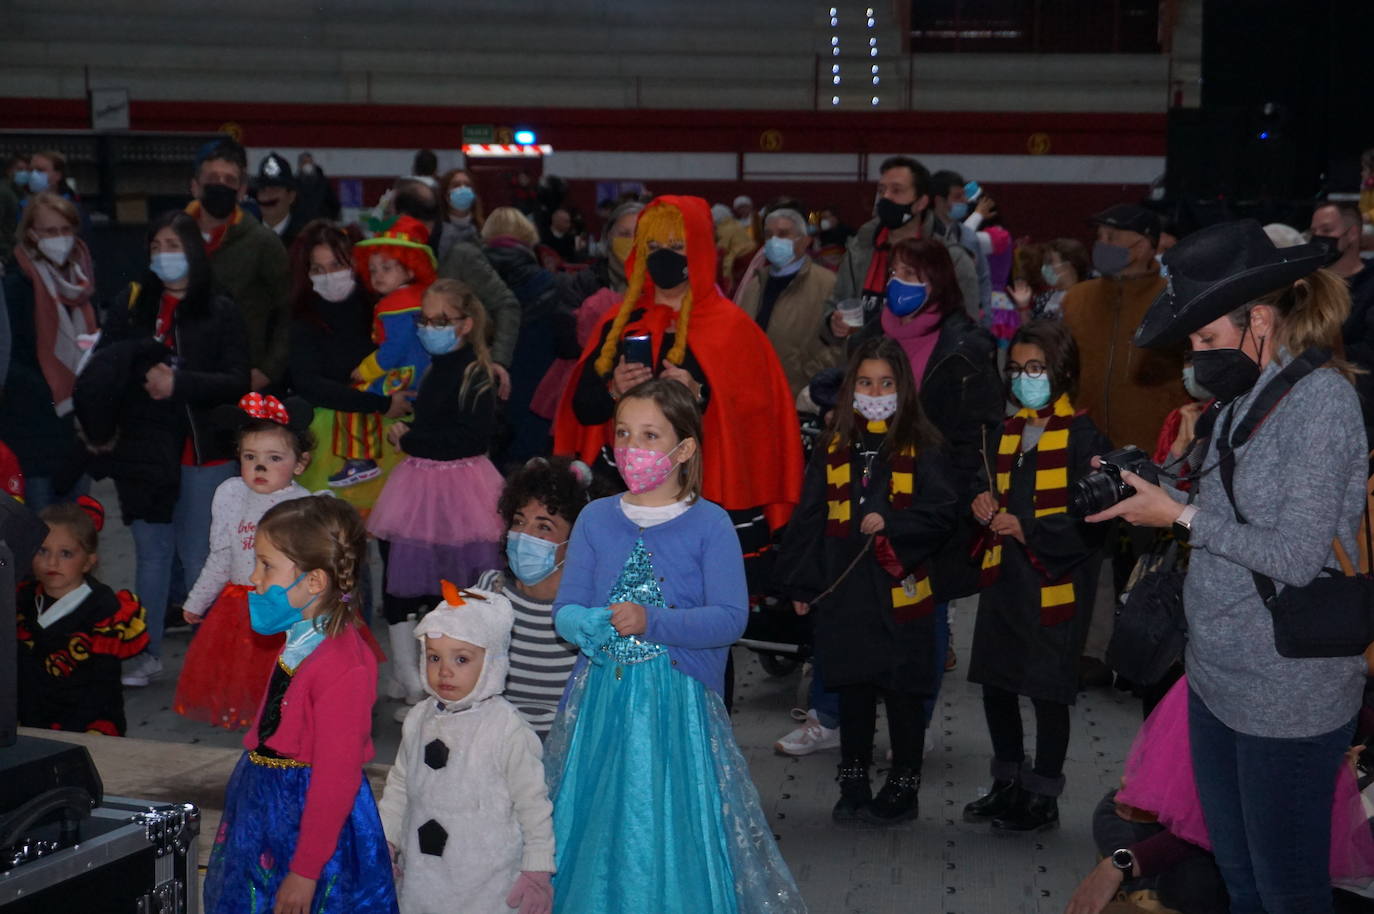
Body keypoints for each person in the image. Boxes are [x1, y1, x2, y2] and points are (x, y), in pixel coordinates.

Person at [1092, 219, 1369, 914]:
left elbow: (1297, 557)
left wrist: (1180, 517)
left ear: (1262, 321)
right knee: (1241, 880)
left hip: (1288, 694)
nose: (1197, 355)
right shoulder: (1242, 395)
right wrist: (1153, 491)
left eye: (1207, 339)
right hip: (1218, 681)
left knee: (1287, 891)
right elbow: (1228, 509)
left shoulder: (1321, 403)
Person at [546, 378, 806, 912]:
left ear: (684, 449)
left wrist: (651, 621)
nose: (631, 449)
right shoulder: (596, 518)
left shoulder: (710, 524)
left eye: (649, 435)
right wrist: (583, 624)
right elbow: (565, 608)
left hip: (677, 704)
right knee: (599, 811)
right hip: (601, 702)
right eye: (623, 434)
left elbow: (730, 619)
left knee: (669, 814)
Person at [553, 194, 803, 580]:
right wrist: (613, 388)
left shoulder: (733, 330)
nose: (662, 257)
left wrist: (700, 397)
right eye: (652, 247)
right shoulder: (619, 321)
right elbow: (584, 410)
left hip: (704, 494)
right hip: (623, 492)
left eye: (676, 247)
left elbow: (752, 427)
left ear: (700, 251)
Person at [775, 338, 958, 826]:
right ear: (851, 388)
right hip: (846, 587)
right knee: (852, 686)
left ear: (902, 389)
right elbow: (811, 515)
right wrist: (801, 585)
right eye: (865, 382)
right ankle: (853, 781)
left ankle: (903, 785)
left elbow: (942, 513)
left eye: (885, 383)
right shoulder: (835, 445)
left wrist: (893, 524)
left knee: (902, 691)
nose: (875, 391)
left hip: (902, 586)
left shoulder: (925, 444)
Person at [203, 495, 396, 914]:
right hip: (266, 798)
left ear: (314, 582)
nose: (253, 577)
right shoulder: (300, 639)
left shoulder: (344, 665)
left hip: (310, 817)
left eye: (266, 565)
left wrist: (306, 871)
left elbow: (337, 777)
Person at [85, 210, 250, 687]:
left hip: (204, 454)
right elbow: (105, 368)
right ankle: (145, 652)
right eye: (156, 247)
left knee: (202, 558)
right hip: (144, 453)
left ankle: (209, 660)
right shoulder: (132, 303)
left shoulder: (220, 309)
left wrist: (179, 382)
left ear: (194, 253)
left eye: (173, 246)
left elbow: (236, 379)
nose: (164, 257)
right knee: (152, 557)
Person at [963, 320, 1111, 832]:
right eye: (1017, 369)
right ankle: (1007, 782)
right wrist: (983, 503)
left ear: (1062, 372)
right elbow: (993, 490)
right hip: (1004, 578)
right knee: (997, 683)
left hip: (1055, 581)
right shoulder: (1007, 431)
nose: (1025, 379)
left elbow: (1094, 517)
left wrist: (1029, 529)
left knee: (1048, 691)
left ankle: (1042, 793)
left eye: (1036, 369)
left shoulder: (1084, 435)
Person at [1067, 674, 1374, 914]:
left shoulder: (1307, 700)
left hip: (1283, 845)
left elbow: (1222, 822)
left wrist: (1123, 863)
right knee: (1111, 811)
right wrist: (1142, 797)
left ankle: (1145, 880)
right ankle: (1145, 879)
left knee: (1193, 883)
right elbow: (1195, 797)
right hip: (1224, 827)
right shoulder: (1212, 682)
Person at [366, 279, 504, 713]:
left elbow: (468, 437)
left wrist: (411, 439)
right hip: (421, 484)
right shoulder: (437, 366)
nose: (429, 328)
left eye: (440, 321)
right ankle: (409, 676)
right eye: (424, 320)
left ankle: (448, 682)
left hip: (459, 486)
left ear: (464, 325)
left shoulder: (475, 372)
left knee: (457, 585)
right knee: (403, 582)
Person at [378, 583, 556, 914]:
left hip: (487, 880)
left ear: (492, 662)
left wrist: (536, 869)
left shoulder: (506, 728)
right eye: (434, 657)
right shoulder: (419, 719)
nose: (445, 670)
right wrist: (385, 843)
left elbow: (533, 805)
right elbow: (400, 786)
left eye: (461, 659)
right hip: (424, 876)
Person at [173, 394, 312, 729]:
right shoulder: (231, 494)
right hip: (239, 607)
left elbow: (316, 566)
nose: (259, 467)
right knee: (245, 682)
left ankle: (290, 728)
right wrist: (197, 600)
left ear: (300, 463)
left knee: (289, 681)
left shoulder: (305, 504)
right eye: (250, 457)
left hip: (288, 610)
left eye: (274, 457)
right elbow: (221, 555)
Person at [287, 220, 411, 508]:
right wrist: (379, 403)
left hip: (388, 436)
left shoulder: (382, 308)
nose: (329, 275)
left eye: (337, 265)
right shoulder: (302, 318)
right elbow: (309, 384)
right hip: (331, 442)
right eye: (318, 269)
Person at [476, 457, 592, 738]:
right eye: (518, 521)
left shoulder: (588, 611)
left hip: (565, 747)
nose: (523, 535)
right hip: (495, 742)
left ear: (575, 540)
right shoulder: (489, 590)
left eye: (544, 527)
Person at [16, 497, 148, 735]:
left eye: (66, 553)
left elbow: (104, 686)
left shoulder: (103, 608)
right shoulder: (22, 600)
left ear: (88, 562)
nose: (52, 562)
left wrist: (73, 731)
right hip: (33, 721)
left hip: (88, 726)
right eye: (42, 550)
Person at [0, 191, 97, 511]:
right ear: (31, 234)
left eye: (66, 230)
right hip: (31, 435)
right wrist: (54, 387)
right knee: (37, 536)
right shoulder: (16, 287)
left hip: (76, 437)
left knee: (75, 532)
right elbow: (9, 360)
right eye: (50, 232)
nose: (60, 239)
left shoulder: (81, 285)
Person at [1061, 204, 1184, 450]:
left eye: (1111, 238)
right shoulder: (1076, 298)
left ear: (1141, 247)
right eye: (1099, 237)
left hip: (1151, 443)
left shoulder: (1174, 300)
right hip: (1083, 443)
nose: (1101, 244)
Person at [328, 215, 435, 489]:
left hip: (406, 375)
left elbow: (394, 350)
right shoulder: (418, 297)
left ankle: (360, 460)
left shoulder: (395, 305)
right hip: (425, 374)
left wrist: (366, 369)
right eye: (373, 269)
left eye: (387, 268)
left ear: (410, 269)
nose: (377, 276)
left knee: (355, 398)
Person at [826, 156, 980, 336]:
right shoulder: (860, 248)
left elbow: (967, 327)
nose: (885, 197)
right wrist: (832, 323)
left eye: (896, 190)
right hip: (862, 360)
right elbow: (837, 303)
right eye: (882, 190)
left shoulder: (952, 258)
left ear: (921, 202)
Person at [188, 138, 292, 392]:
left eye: (230, 180)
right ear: (195, 186)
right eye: (213, 178)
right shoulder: (172, 237)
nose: (220, 186)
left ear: (242, 190)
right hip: (184, 377)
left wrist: (269, 370)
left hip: (242, 379)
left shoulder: (262, 242)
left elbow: (289, 310)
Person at [531, 200, 644, 424]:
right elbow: (564, 342)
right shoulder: (585, 282)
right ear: (608, 237)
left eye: (640, 233)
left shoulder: (661, 286)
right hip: (590, 394)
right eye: (624, 233)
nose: (631, 241)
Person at [480, 207, 565, 464]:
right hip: (535, 397)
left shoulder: (468, 283)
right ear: (529, 239)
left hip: (484, 396)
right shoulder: (552, 283)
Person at [735, 207, 843, 397]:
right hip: (755, 392)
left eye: (783, 234)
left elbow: (841, 344)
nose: (774, 241)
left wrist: (807, 376)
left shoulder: (828, 284)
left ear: (804, 240)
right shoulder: (755, 285)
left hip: (800, 394)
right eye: (769, 235)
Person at [1309, 201, 1374, 447]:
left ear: (1353, 234)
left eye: (1326, 231)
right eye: (1313, 232)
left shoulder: (1370, 286)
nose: (1318, 239)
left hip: (1360, 410)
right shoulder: (1307, 285)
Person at [928, 170, 992, 313]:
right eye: (958, 196)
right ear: (939, 201)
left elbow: (983, 280)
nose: (965, 200)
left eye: (965, 195)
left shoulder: (969, 236)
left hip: (966, 317)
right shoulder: (923, 237)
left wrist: (985, 319)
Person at [1010, 238, 1089, 321]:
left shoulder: (1083, 301)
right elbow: (1029, 330)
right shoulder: (1045, 297)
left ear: (1067, 267)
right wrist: (1023, 306)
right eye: (1045, 261)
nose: (1045, 267)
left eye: (1050, 261)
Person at [253, 152, 300, 247]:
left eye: (275, 189)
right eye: (263, 190)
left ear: (291, 196)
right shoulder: (247, 235)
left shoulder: (304, 238)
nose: (268, 196)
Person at [711, 202, 756, 292]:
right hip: (749, 252)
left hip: (740, 256)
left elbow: (722, 249)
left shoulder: (725, 229)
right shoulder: (734, 223)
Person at [438, 167, 484, 248]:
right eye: (456, 185)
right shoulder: (436, 231)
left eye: (467, 185)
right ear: (445, 195)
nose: (463, 188)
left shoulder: (482, 229)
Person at [291, 152, 340, 226]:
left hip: (320, 226)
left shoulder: (323, 183)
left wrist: (329, 220)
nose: (307, 165)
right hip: (300, 227)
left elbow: (334, 204)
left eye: (309, 162)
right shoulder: (293, 184)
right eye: (304, 162)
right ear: (299, 165)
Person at [0, 153, 27, 267]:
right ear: (9, 170)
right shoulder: (4, 192)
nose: (24, 173)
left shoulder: (17, 192)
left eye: (26, 170)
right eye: (20, 169)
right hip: (6, 253)